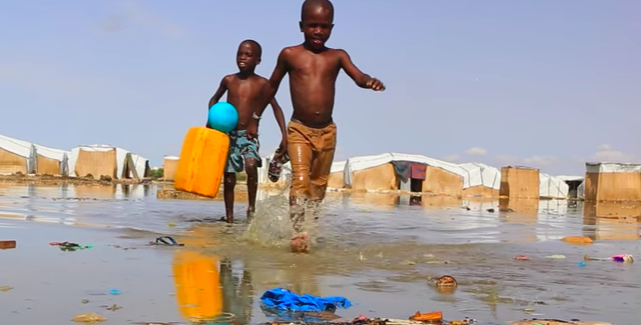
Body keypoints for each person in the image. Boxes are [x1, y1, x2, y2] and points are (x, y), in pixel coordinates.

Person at [248, 0, 385, 252]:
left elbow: (358, 76)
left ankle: (310, 228)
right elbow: (271, 86)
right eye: (312, 26)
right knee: (301, 180)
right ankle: (298, 232)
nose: (318, 31)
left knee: (318, 187)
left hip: (327, 132)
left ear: (332, 27)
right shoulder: (289, 55)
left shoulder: (337, 56)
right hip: (299, 128)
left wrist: (369, 81)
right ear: (301, 26)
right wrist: (255, 118)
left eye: (324, 26)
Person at [207, 39, 287, 224]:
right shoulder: (229, 80)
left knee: (251, 165)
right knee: (228, 178)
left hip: (248, 136)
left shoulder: (262, 84)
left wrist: (284, 135)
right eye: (240, 54)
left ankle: (251, 208)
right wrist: (212, 121)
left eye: (248, 55)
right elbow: (213, 100)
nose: (243, 58)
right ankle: (229, 218)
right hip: (229, 136)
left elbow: (276, 108)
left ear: (258, 60)